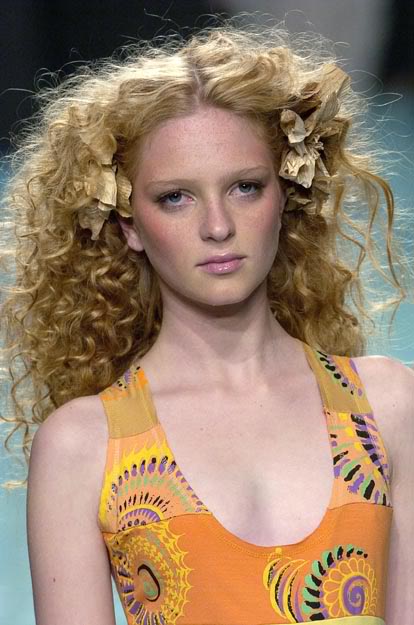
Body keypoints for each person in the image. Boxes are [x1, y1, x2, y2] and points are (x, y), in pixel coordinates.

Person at [0, 17, 412, 625]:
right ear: (129, 224)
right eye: (175, 197)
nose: (217, 226)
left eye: (245, 187)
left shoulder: (388, 406)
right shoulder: (85, 446)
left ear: (285, 195)